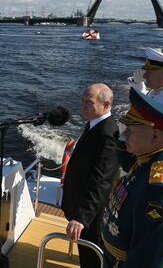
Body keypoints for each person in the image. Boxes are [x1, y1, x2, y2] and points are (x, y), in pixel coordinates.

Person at [101, 87, 163, 268]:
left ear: (154, 135)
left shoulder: (160, 189)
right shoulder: (155, 159)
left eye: (130, 130)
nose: (124, 134)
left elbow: (146, 260)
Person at [61, 83, 119, 268]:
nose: (83, 105)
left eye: (89, 102)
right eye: (82, 100)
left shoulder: (107, 135)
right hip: (81, 206)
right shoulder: (95, 125)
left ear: (106, 105)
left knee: (91, 258)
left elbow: (101, 181)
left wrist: (81, 217)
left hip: (92, 216)